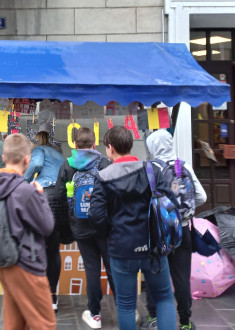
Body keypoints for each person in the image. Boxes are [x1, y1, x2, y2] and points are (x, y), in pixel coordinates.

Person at [88, 126, 178, 330]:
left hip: (122, 248)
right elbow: (170, 202)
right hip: (154, 245)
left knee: (126, 304)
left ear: (110, 148)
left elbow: (96, 215)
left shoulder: (103, 177)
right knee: (164, 297)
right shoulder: (152, 170)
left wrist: (109, 234)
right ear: (129, 144)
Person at [140, 129, 207, 330]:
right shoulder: (183, 166)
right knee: (181, 278)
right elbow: (202, 197)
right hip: (183, 231)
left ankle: (153, 318)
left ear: (153, 147)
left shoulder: (151, 168)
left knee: (155, 272)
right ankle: (185, 322)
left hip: (159, 232)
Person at [0, 133, 56, 330]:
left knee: (15, 323)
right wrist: (40, 197)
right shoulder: (25, 191)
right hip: (26, 262)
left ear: (3, 158)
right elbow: (47, 226)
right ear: (27, 159)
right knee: (45, 324)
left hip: (4, 262)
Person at [54, 127, 115, 329]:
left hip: (80, 225)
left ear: (75, 144)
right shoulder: (104, 163)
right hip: (104, 224)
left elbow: (58, 196)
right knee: (112, 266)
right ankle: (126, 308)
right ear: (94, 143)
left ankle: (95, 314)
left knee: (91, 268)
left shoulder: (67, 166)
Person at [24, 131, 67, 312]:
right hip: (60, 199)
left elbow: (37, 164)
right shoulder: (59, 153)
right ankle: (52, 297)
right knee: (54, 249)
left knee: (37, 247)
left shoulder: (39, 150)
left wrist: (23, 179)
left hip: (45, 197)